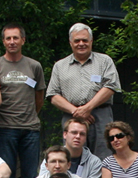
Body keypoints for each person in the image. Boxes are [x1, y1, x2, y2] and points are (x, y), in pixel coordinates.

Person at [47, 23, 122, 158]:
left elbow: (111, 86)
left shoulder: (104, 61)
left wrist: (87, 108)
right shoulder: (60, 66)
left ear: (91, 41)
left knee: (103, 155)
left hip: (100, 115)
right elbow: (53, 95)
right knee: (71, 156)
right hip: (71, 116)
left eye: (85, 40)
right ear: (71, 42)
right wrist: (77, 112)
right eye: (77, 40)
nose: (81, 43)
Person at [0, 23, 46, 178]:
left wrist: (31, 114)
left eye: (16, 38)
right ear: (3, 41)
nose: (12, 42)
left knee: (31, 176)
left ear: (23, 40)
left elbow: (39, 96)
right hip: (4, 127)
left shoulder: (34, 66)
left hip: (30, 128)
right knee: (6, 176)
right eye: (8, 38)